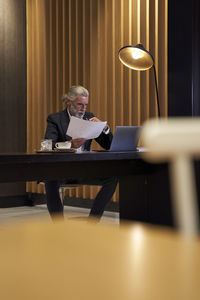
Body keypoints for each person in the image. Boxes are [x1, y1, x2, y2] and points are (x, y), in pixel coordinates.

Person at [44, 85, 118, 220]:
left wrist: (105, 129)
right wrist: (69, 145)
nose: (83, 109)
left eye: (85, 105)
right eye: (79, 105)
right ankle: (58, 225)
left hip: (84, 169)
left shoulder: (89, 117)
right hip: (62, 169)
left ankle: (93, 221)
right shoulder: (55, 119)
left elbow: (109, 146)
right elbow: (48, 145)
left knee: (112, 177)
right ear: (68, 101)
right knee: (50, 178)